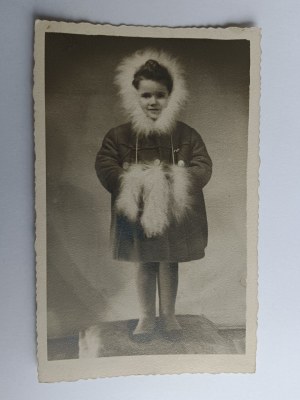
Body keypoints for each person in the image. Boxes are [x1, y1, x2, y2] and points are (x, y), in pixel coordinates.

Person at [95, 49, 212, 341]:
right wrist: (132, 180)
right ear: (134, 95)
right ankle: (146, 318)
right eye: (146, 95)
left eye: (160, 95)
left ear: (171, 96)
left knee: (169, 261)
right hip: (138, 211)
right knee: (144, 261)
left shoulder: (186, 134)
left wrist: (176, 178)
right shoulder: (119, 135)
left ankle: (169, 316)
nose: (153, 102)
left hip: (173, 210)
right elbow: (105, 163)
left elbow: (203, 165)